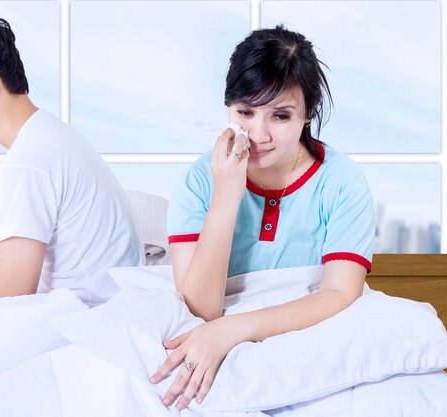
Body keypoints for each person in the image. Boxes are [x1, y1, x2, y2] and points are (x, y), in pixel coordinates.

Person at [150, 25, 375, 409]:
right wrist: (226, 196)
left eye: (280, 116)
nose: (258, 134)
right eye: (245, 112)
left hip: (301, 342)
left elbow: (340, 294)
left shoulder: (341, 181)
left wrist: (231, 330)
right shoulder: (198, 182)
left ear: (309, 114)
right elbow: (200, 309)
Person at [0, 8, 144, 305]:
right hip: (106, 309)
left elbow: (8, 307)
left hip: (82, 325)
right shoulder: (52, 135)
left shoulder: (26, 165)